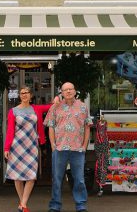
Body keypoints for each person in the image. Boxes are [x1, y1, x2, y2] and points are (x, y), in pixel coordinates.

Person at [4, 86, 59, 212]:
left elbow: (51, 106)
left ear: (31, 95)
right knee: (17, 177)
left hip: (32, 146)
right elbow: (10, 131)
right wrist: (7, 148)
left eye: (26, 93)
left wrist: (56, 98)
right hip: (17, 146)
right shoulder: (13, 111)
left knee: (31, 176)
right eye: (21, 93)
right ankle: (23, 205)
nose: (24, 95)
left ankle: (22, 204)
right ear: (19, 96)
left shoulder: (36, 109)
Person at [44, 82, 92, 212]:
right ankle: (55, 205)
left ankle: (81, 205)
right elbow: (50, 126)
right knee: (57, 179)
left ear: (75, 91)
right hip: (59, 149)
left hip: (78, 149)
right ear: (62, 93)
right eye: (65, 90)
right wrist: (53, 145)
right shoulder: (55, 107)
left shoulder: (83, 107)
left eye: (71, 89)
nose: (68, 91)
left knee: (80, 179)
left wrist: (84, 145)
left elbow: (87, 127)